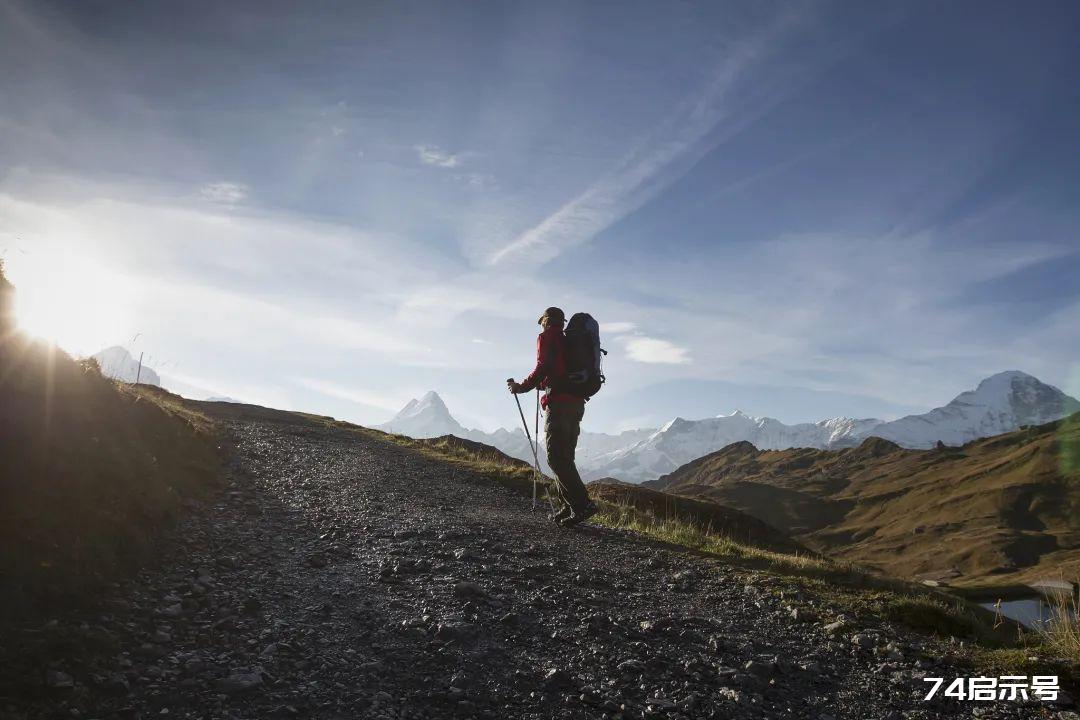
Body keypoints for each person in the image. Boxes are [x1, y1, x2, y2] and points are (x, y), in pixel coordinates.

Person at [507, 306, 598, 527]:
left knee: (555, 458)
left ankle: (582, 505)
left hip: (559, 406)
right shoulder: (568, 342)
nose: (541, 325)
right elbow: (557, 372)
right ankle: (569, 505)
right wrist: (542, 385)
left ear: (547, 321)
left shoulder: (549, 337)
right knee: (564, 457)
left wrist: (522, 387)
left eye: (542, 322)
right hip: (576, 404)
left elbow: (543, 366)